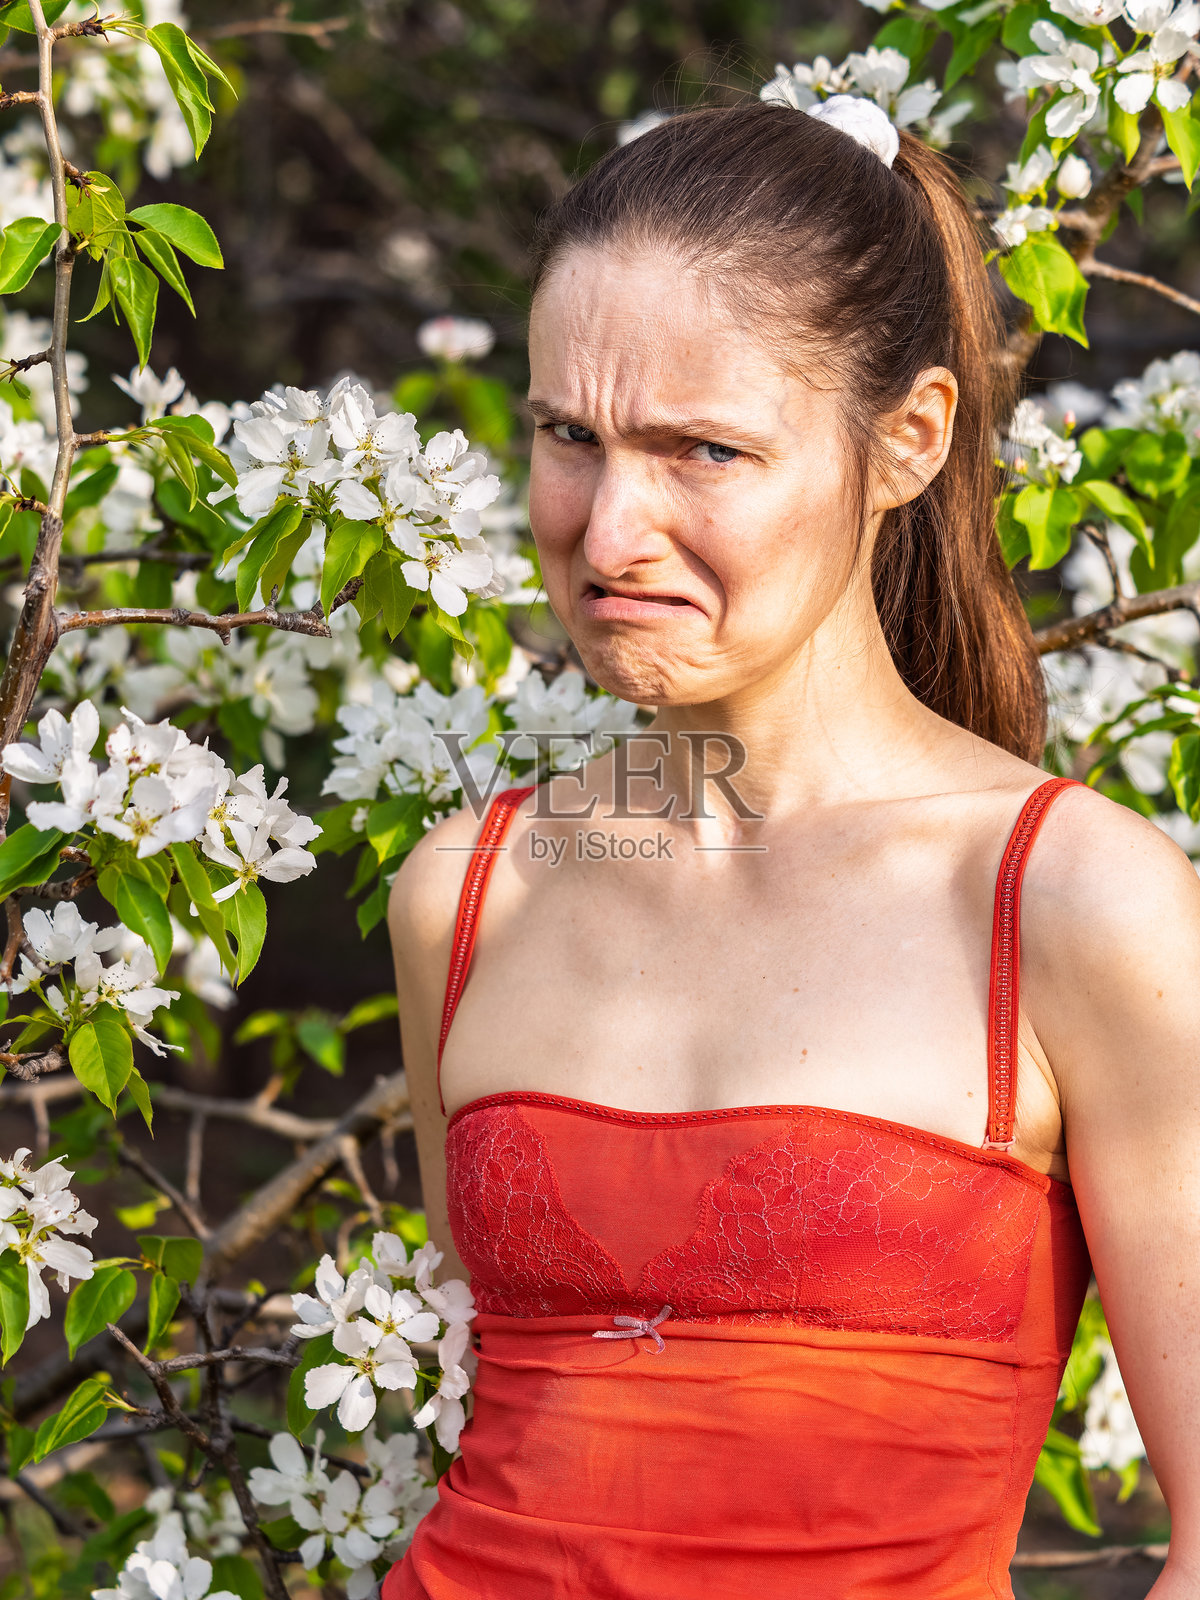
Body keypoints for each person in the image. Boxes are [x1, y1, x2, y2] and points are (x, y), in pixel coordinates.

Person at [382, 95, 1200, 1600]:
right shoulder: (466, 894)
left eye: (702, 450)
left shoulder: (1078, 905)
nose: (610, 529)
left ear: (907, 440)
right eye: (571, 436)